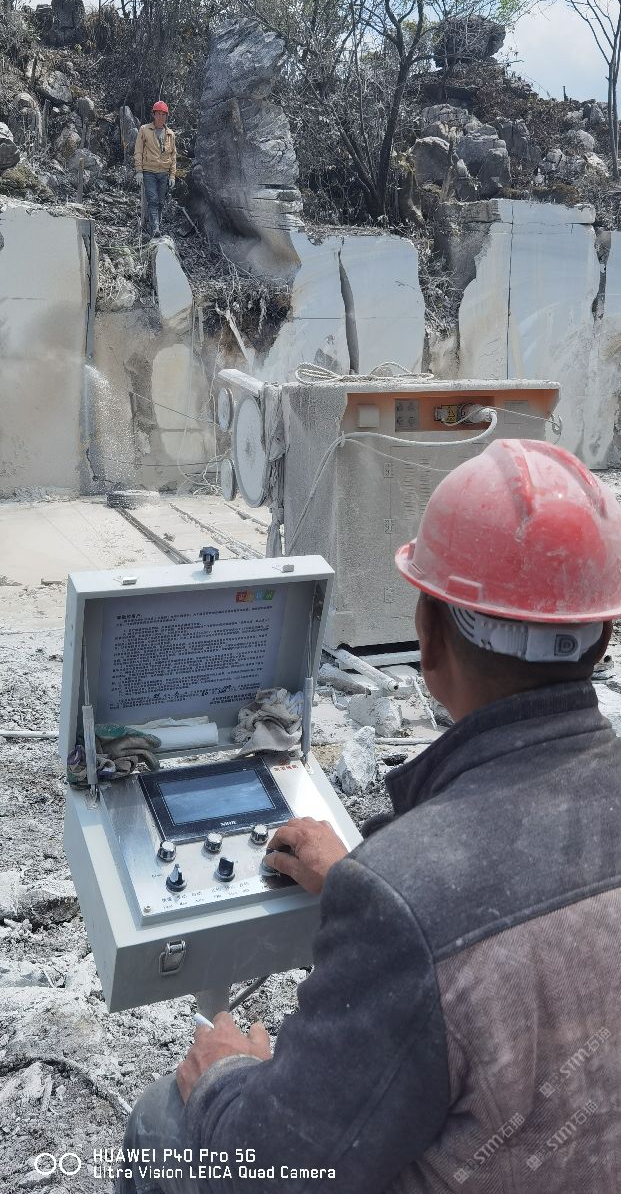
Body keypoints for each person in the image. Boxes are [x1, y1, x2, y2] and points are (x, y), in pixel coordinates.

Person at [117, 439, 621, 1192]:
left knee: (164, 1120)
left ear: (427, 632)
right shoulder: (402, 889)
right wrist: (369, 878)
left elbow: (282, 1165)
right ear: (601, 635)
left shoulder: (403, 900)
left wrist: (223, 1078)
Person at [134, 100, 177, 238]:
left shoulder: (170, 134)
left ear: (166, 116)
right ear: (153, 115)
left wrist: (172, 175)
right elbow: (138, 151)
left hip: (164, 173)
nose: (161, 117)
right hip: (149, 171)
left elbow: (173, 155)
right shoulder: (144, 130)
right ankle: (156, 229)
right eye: (158, 114)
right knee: (152, 200)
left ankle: (154, 225)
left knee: (160, 202)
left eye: (163, 114)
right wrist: (139, 171)